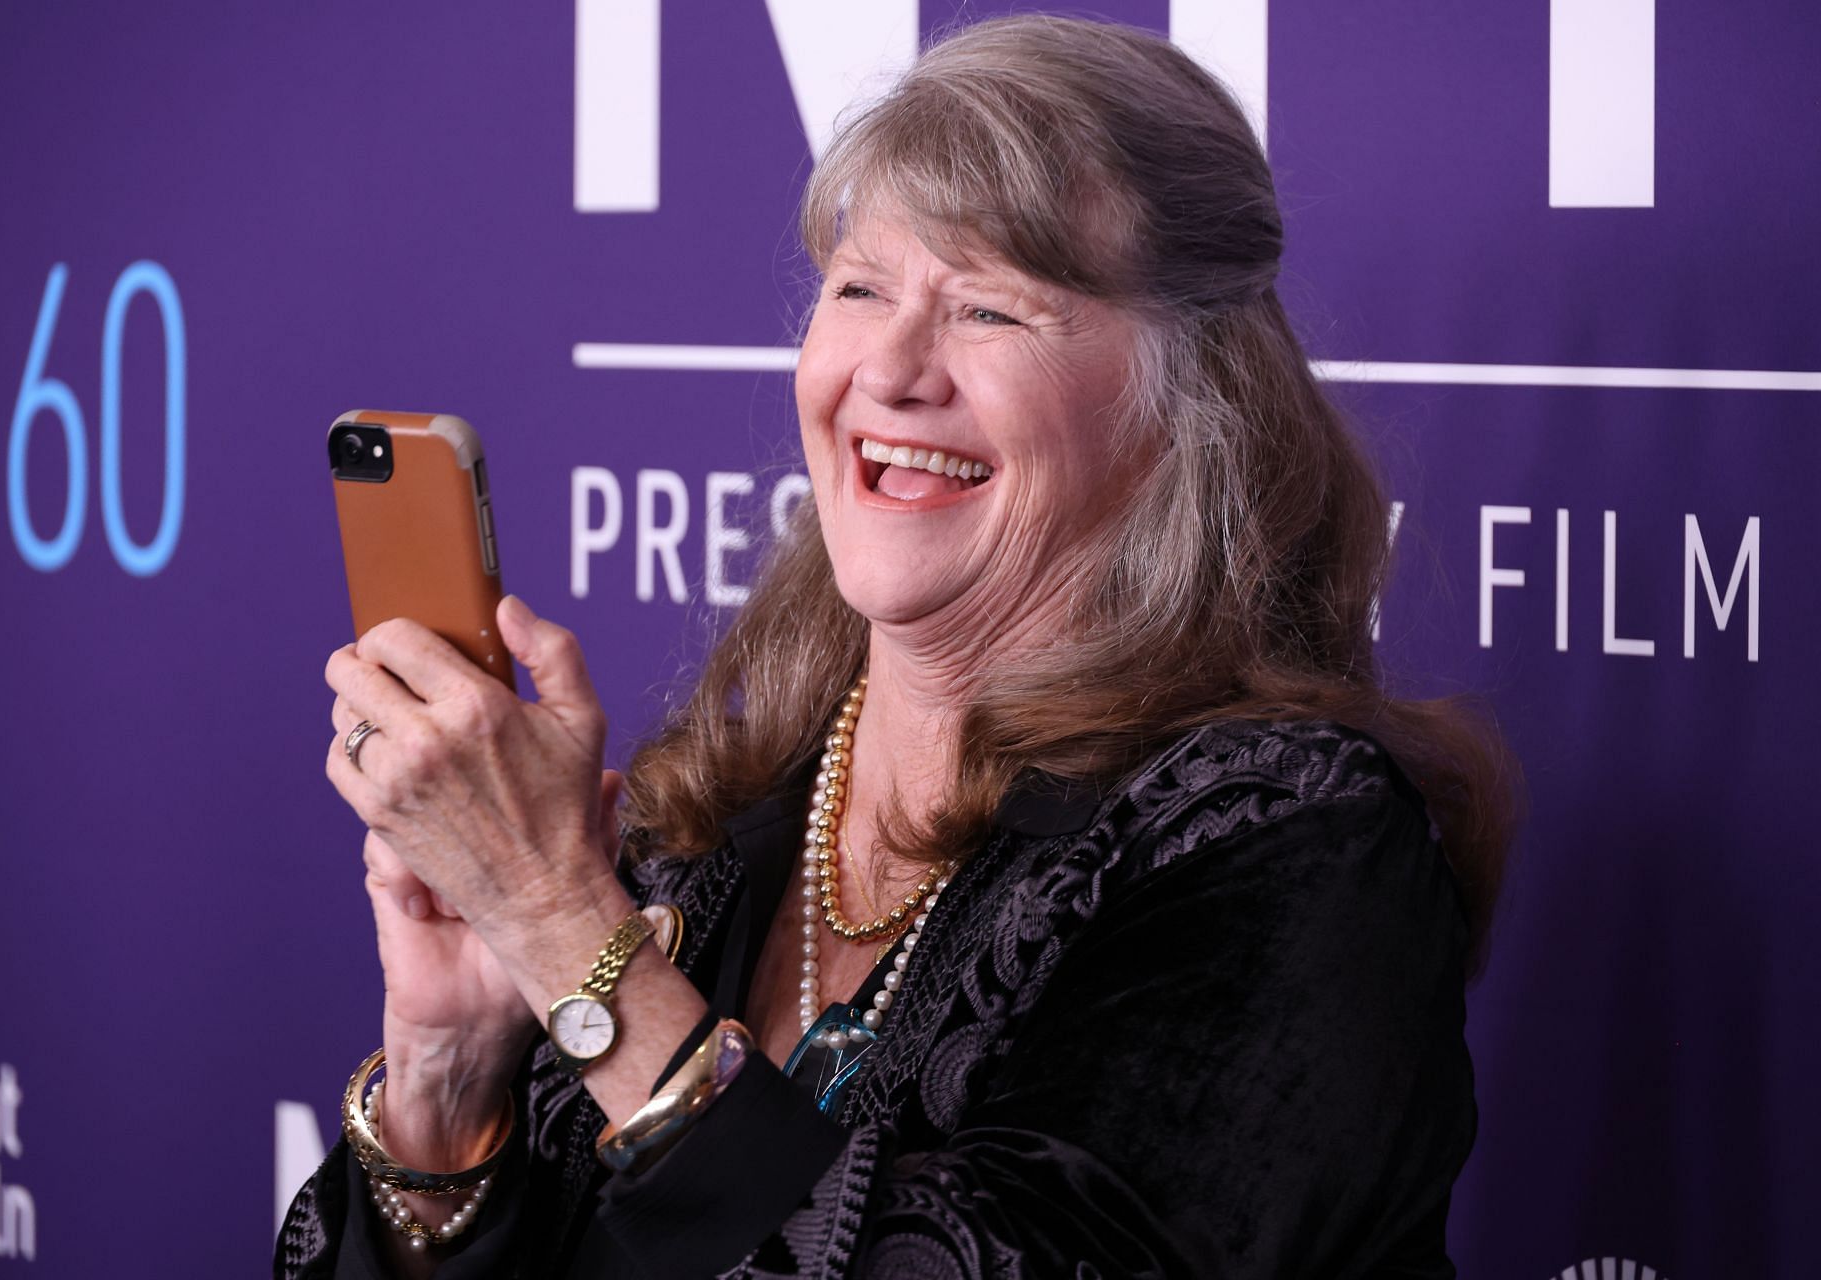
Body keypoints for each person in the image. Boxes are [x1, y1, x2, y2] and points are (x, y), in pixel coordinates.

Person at [279, 14, 1515, 1279]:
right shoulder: (712, 830)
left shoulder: (1292, 840)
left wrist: (555, 925)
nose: (891, 370)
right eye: (859, 286)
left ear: (1187, 405)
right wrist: (448, 1076)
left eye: (990, 308)